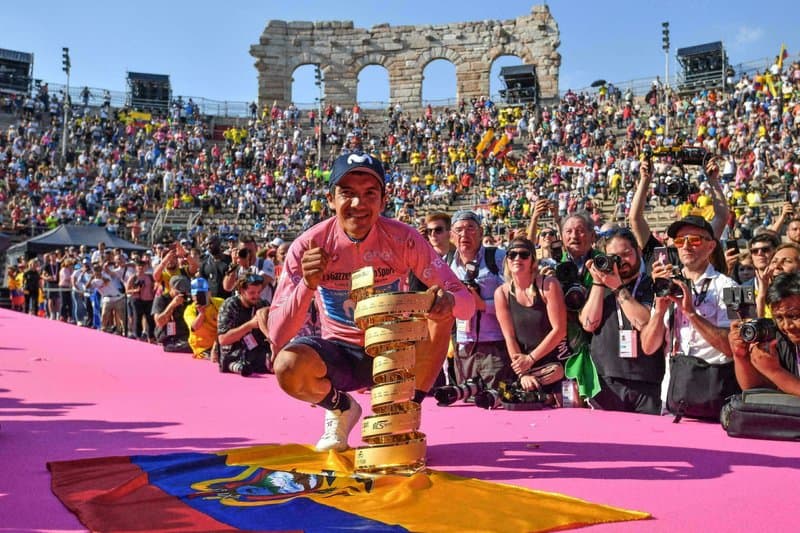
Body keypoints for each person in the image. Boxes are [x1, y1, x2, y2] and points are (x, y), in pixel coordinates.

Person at [268, 152, 473, 452]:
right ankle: (340, 409)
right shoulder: (308, 245)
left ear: (383, 199)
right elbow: (277, 334)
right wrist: (308, 284)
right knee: (287, 365)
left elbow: (466, 305)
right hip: (340, 352)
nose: (358, 204)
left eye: (369, 194)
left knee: (440, 312)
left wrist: (448, 300)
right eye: (347, 194)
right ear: (331, 199)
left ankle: (404, 409)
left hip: (395, 352)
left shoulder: (404, 239)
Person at [640, 215, 739, 411]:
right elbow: (649, 347)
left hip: (715, 392)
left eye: (694, 239)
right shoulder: (667, 285)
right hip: (673, 395)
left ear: (711, 246)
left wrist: (691, 313)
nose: (686, 246)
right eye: (679, 241)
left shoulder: (731, 287)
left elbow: (733, 347)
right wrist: (659, 312)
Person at [580, 229, 665, 414]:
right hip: (605, 379)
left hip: (646, 380)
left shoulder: (651, 284)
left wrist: (618, 287)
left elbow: (644, 322)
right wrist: (598, 282)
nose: (622, 261)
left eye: (627, 254)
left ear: (639, 252)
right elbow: (588, 324)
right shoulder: (601, 286)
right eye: (614, 257)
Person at [494, 237, 568, 394]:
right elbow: (510, 337)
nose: (517, 258)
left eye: (524, 255)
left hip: (554, 364)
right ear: (506, 260)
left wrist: (531, 359)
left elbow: (559, 330)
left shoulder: (547, 285)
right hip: (526, 369)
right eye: (512, 255)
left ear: (533, 261)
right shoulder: (502, 293)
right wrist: (523, 374)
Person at [448, 210, 513, 389]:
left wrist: (483, 305)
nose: (464, 234)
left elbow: (514, 297)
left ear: (481, 232)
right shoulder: (448, 265)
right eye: (459, 230)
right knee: (467, 402)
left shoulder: (498, 258)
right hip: (463, 346)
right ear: (451, 235)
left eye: (470, 228)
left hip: (495, 345)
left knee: (496, 400)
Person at [729, 272, 800, 396]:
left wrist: (775, 372)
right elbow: (754, 390)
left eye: (793, 316)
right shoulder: (780, 339)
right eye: (779, 318)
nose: (787, 326)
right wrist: (740, 357)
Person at [217, 273, 271, 375]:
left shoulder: (263, 304)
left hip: (258, 352)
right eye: (252, 293)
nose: (256, 296)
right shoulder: (230, 305)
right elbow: (223, 339)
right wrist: (249, 325)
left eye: (259, 292)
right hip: (235, 355)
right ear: (241, 291)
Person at [184, 277, 223, 359]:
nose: (199, 297)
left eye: (203, 293)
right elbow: (194, 327)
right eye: (196, 295)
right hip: (203, 348)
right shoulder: (190, 310)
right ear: (192, 296)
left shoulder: (221, 303)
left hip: (220, 342)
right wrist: (201, 313)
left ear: (209, 292)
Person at [151, 275, 192, 352]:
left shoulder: (187, 299)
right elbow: (159, 322)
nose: (182, 295)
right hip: (168, 337)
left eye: (185, 292)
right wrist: (172, 305)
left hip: (184, 336)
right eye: (179, 292)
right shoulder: (161, 299)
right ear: (171, 288)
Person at [125, 259, 156, 341]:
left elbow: (154, 286)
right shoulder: (133, 277)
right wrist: (135, 290)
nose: (141, 268)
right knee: (138, 318)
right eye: (139, 266)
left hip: (149, 300)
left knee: (150, 319)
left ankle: (151, 337)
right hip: (137, 300)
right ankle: (138, 337)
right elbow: (127, 290)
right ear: (136, 267)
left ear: (145, 267)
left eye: (143, 266)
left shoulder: (149, 276)